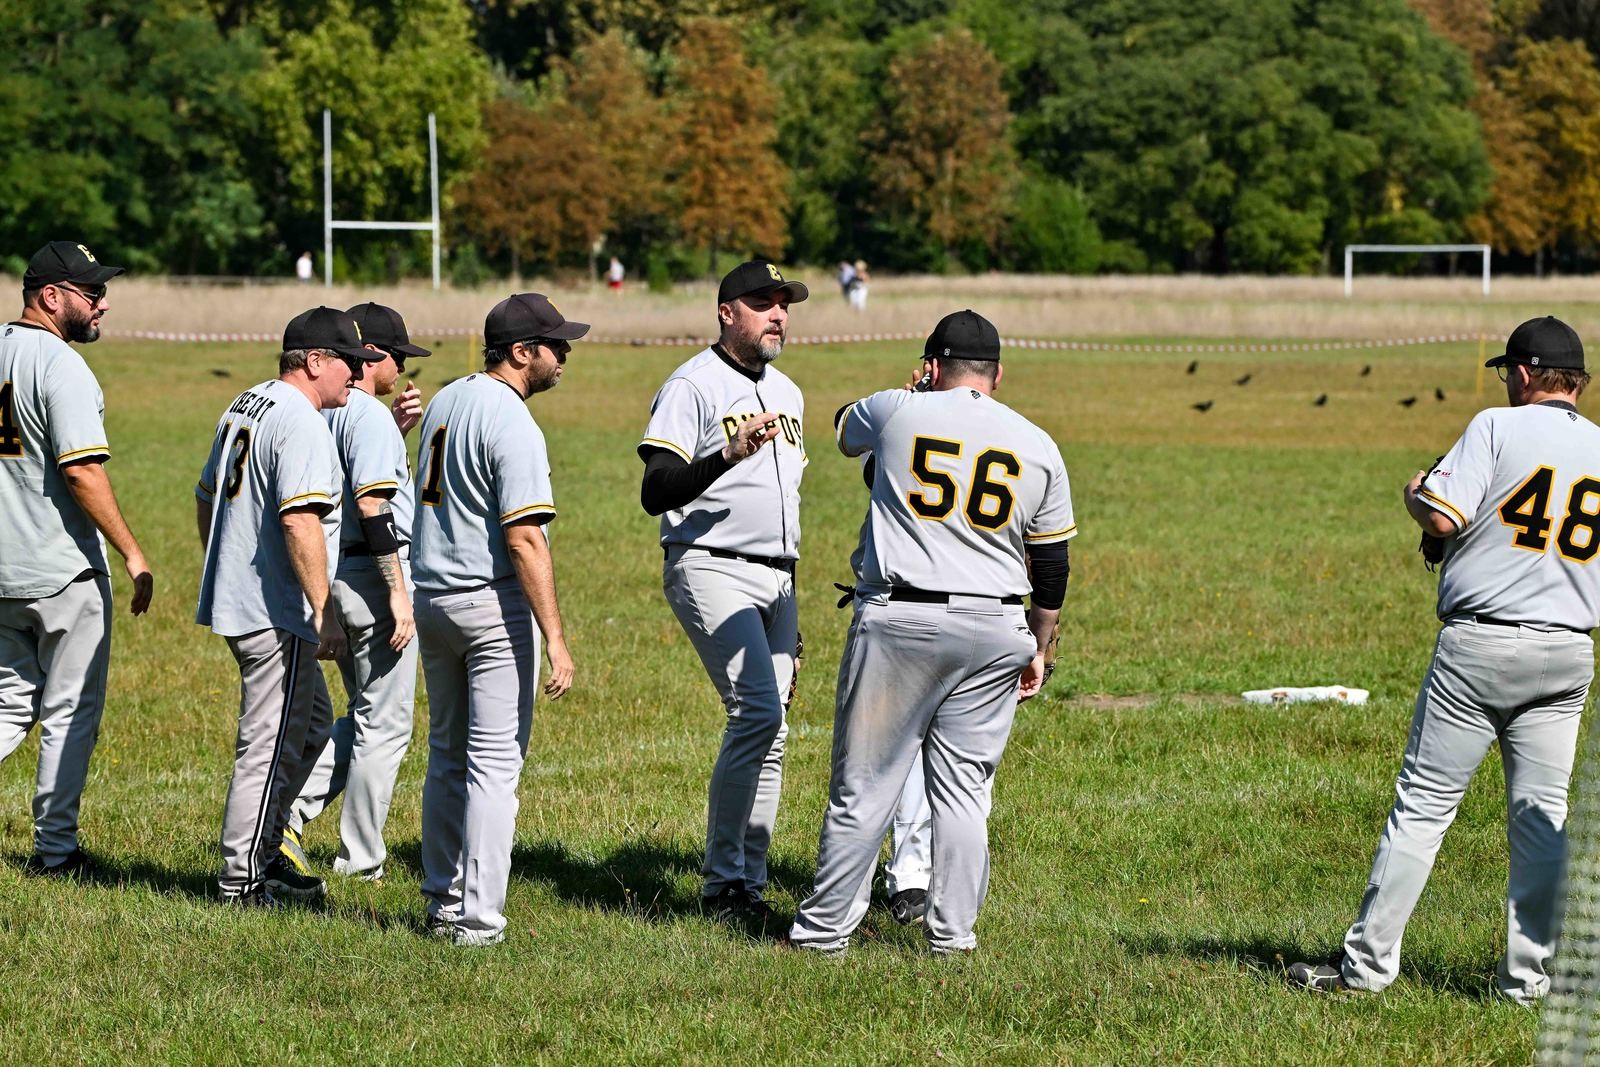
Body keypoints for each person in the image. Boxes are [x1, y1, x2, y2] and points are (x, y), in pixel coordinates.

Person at [1289, 315, 1600, 1004]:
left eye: (1507, 373)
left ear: (1523, 374)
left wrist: (1412, 491)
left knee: (1424, 807)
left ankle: (1366, 968)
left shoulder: (1497, 425)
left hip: (1482, 643)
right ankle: (1527, 983)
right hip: (1570, 649)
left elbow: (1442, 517)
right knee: (1541, 818)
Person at [786, 308, 1075, 955]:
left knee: (865, 786)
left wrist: (912, 393)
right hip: (998, 622)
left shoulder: (899, 409)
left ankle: (823, 932)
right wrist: (1041, 642)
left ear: (934, 365)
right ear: (997, 374)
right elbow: (1051, 562)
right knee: (966, 796)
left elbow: (840, 431)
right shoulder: (1036, 442)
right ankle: (953, 937)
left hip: (905, 619)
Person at [637, 259, 809, 922]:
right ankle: (722, 886)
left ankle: (749, 884)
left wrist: (789, 603)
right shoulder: (693, 385)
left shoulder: (788, 392)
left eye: (784, 303)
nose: (778, 314)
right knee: (758, 712)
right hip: (709, 565)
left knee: (776, 728)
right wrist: (725, 456)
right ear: (726, 311)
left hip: (776, 576)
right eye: (763, 302)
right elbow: (657, 490)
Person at [196, 306, 384, 907]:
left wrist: (222, 562)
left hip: (246, 599)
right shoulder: (301, 422)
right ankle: (242, 880)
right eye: (348, 364)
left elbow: (206, 496)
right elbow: (300, 520)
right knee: (270, 743)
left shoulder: (246, 403)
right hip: (274, 611)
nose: (356, 377)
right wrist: (324, 609)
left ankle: (267, 848)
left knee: (305, 731)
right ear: (314, 362)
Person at [413, 292, 579, 947]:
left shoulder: (448, 399)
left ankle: (441, 901)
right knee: (493, 766)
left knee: (447, 758)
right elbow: (525, 538)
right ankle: (478, 919)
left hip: (433, 597)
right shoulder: (511, 420)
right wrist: (557, 637)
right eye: (554, 344)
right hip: (488, 604)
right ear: (520, 352)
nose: (564, 354)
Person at [0, 240, 152, 877]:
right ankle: (56, 852)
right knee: (69, 712)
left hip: (4, 570)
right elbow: (83, 472)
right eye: (91, 294)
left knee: (8, 702)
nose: (103, 305)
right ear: (51, 297)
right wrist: (133, 552)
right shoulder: (60, 367)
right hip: (61, 571)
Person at [279, 303, 430, 883]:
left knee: (364, 716)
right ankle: (358, 857)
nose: (400, 369)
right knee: (384, 726)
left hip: (331, 574)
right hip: (373, 576)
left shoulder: (322, 410)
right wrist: (399, 593)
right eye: (399, 357)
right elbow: (373, 505)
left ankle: (287, 811)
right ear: (376, 357)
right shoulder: (363, 414)